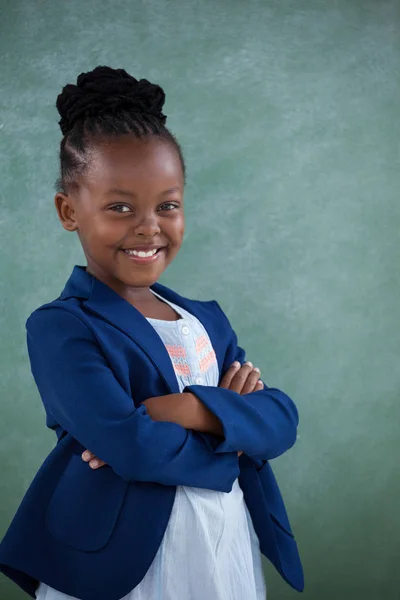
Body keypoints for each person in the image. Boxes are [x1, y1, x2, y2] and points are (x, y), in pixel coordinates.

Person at [0, 66, 304, 600]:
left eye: (168, 205)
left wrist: (182, 410)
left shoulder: (205, 318)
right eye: (120, 208)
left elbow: (280, 421)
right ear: (69, 211)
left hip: (221, 534)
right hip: (122, 555)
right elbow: (132, 446)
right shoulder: (62, 327)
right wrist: (232, 436)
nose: (149, 226)